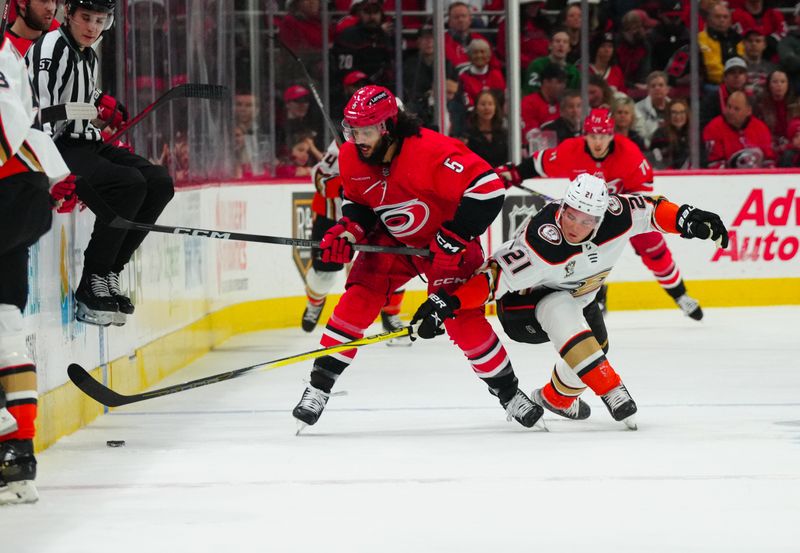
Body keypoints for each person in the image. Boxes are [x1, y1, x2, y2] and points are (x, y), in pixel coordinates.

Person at [292, 85, 544, 431]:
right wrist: (348, 230)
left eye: (365, 130)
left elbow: (488, 188)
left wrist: (454, 236)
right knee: (356, 301)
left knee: (462, 320)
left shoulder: (430, 150)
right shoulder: (351, 155)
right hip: (395, 244)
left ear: (389, 127)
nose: (356, 138)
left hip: (446, 247)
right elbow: (361, 204)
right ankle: (317, 389)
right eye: (351, 130)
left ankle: (510, 395)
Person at [411, 173, 729, 430]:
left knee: (595, 347)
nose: (575, 227)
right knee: (560, 307)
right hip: (523, 309)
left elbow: (654, 210)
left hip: (581, 297)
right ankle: (611, 387)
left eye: (586, 221)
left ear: (601, 218)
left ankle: (556, 398)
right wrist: (449, 304)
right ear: (562, 207)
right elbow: (492, 278)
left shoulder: (618, 216)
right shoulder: (541, 241)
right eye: (571, 216)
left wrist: (689, 219)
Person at [27, 0, 175, 327]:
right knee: (128, 184)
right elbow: (42, 114)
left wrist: (103, 104)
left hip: (85, 142)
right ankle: (92, 281)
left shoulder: (88, 53)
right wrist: (51, 174)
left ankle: (109, 272)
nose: (92, 27)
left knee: (159, 181)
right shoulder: (52, 46)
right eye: (86, 18)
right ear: (70, 16)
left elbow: (85, 95)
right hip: (57, 146)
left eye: (99, 20)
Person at [496, 108, 705, 320]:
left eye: (603, 136)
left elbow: (644, 198)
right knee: (583, 255)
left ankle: (680, 294)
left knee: (655, 250)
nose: (598, 142)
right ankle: (597, 294)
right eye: (593, 136)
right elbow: (539, 163)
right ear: (585, 135)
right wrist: (514, 173)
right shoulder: (571, 150)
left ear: (612, 135)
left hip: (624, 215)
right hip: (587, 219)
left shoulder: (629, 154)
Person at [0, 30, 77, 505]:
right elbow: (24, 125)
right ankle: (19, 454)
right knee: (6, 321)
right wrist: (59, 173)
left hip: (10, 192)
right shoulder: (9, 54)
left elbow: (8, 125)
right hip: (22, 191)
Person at [300, 137, 411, 344]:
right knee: (325, 274)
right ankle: (315, 301)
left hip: (381, 214)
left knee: (393, 262)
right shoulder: (348, 142)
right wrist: (347, 183)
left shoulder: (408, 144)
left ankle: (391, 315)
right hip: (335, 217)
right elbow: (319, 178)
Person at [703, 90, 776, 168]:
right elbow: (715, 165)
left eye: (736, 109)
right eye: (729, 106)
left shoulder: (761, 128)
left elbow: (769, 160)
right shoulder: (713, 128)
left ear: (748, 111)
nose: (731, 112)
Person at [333, 0, 394, 90]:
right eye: (367, 12)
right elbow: (344, 71)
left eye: (375, 12)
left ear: (381, 15)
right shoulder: (349, 35)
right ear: (360, 14)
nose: (372, 16)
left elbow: (390, 67)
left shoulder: (385, 37)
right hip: (355, 88)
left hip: (380, 88)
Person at [698, 1, 744, 86]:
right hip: (713, 83)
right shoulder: (702, 38)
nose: (722, 20)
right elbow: (712, 68)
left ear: (730, 20)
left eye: (725, 17)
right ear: (709, 19)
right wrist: (730, 80)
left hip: (736, 82)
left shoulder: (737, 38)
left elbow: (742, 60)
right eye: (717, 17)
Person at [522, 29, 580, 95]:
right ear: (550, 45)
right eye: (557, 41)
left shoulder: (574, 72)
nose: (561, 44)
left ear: (569, 48)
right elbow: (531, 92)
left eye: (565, 42)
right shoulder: (537, 65)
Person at [754, 69, 796, 156]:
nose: (779, 85)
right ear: (769, 85)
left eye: (783, 81)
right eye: (775, 82)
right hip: (768, 143)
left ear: (788, 85)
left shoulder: (796, 105)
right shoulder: (760, 105)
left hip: (791, 144)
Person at [700, 56, 749, 129]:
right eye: (732, 73)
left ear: (745, 77)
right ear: (724, 77)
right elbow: (705, 124)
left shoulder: (751, 98)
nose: (737, 76)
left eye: (741, 72)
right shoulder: (712, 99)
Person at [462, 90, 507, 167]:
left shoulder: (504, 133)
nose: (487, 108)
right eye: (483, 104)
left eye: (490, 104)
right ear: (476, 108)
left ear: (495, 107)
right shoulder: (468, 135)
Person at [521, 63, 566, 139]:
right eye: (559, 82)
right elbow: (531, 134)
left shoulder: (562, 103)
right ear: (546, 82)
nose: (563, 86)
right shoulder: (529, 102)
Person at [457, 38, 506, 109]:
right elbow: (464, 102)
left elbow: (501, 100)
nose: (479, 56)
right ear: (469, 56)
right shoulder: (464, 76)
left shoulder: (496, 75)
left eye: (482, 52)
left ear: (489, 56)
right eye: (475, 52)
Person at [649, 98, 691, 169]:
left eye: (682, 112)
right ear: (668, 115)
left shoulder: (694, 134)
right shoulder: (660, 135)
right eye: (674, 112)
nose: (678, 116)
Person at [634, 71, 671, 148]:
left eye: (661, 85)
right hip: (649, 148)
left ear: (667, 89)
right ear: (648, 90)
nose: (657, 88)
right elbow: (641, 135)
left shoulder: (674, 107)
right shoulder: (637, 108)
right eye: (653, 86)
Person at [742, 27, 776, 96]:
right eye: (750, 41)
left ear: (764, 45)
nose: (753, 44)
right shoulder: (737, 66)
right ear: (744, 43)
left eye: (758, 41)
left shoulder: (772, 68)